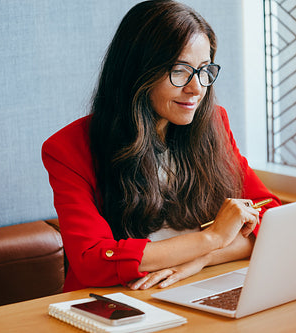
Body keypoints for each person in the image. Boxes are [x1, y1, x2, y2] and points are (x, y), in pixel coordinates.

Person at [42, 0, 280, 292]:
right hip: (120, 300)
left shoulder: (214, 123)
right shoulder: (68, 148)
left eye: (204, 70)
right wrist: (211, 238)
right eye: (180, 71)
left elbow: (270, 216)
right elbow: (94, 261)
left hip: (195, 284)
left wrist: (201, 259)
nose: (196, 89)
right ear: (137, 72)